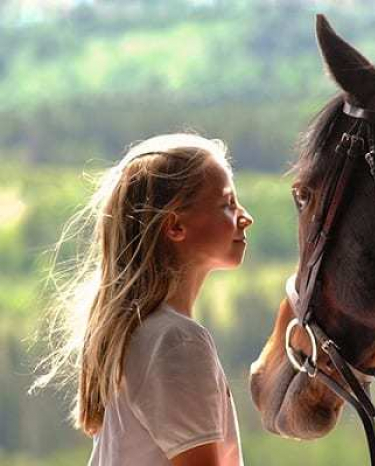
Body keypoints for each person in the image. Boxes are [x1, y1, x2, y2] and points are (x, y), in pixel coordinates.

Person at [30, 133, 253, 465]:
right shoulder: (177, 341)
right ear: (175, 226)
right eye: (227, 204)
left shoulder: (142, 333)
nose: (245, 217)